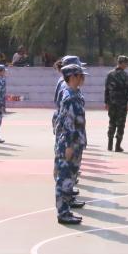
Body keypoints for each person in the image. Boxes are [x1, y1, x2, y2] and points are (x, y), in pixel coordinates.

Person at [53, 63, 88, 224]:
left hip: (76, 142)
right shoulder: (69, 97)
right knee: (65, 179)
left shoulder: (76, 94)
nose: (83, 78)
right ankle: (63, 213)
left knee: (71, 177)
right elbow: (67, 124)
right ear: (72, 77)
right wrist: (68, 146)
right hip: (70, 143)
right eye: (80, 75)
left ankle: (67, 208)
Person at [104, 55, 128, 152]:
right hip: (122, 103)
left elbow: (106, 90)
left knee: (112, 122)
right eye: (126, 64)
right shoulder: (126, 75)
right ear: (122, 63)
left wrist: (106, 102)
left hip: (112, 102)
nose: (127, 66)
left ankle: (109, 145)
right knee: (121, 124)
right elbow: (127, 90)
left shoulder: (110, 74)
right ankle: (117, 146)